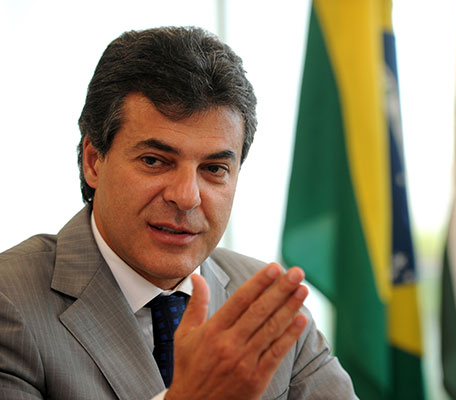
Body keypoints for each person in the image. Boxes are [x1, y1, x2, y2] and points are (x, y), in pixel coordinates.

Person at [0, 26, 357, 399]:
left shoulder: (268, 307)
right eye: (154, 161)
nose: (187, 197)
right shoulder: (8, 302)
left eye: (214, 169)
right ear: (94, 161)